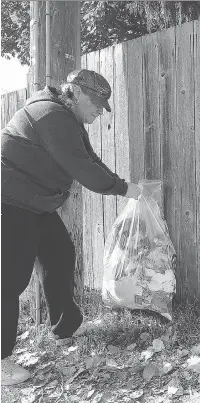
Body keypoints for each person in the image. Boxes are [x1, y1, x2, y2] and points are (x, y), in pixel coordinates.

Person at [1, 69, 141, 385]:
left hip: (33, 202)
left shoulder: (68, 118)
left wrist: (123, 184)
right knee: (9, 279)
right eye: (95, 105)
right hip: (8, 200)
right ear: (76, 94)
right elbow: (82, 170)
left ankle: (64, 327)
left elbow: (90, 159)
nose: (97, 113)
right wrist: (125, 189)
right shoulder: (51, 115)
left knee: (60, 255)